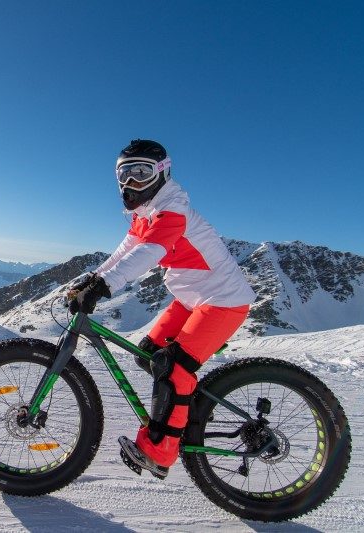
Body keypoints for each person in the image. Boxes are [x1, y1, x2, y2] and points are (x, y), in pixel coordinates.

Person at [68, 139, 256, 478]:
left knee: (173, 370)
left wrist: (105, 286)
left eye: (140, 173)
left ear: (162, 173)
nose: (130, 183)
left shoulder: (172, 210)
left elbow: (149, 252)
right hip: (192, 299)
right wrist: (94, 277)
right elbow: (126, 249)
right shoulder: (146, 213)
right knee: (149, 354)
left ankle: (160, 451)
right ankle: (192, 409)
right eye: (124, 174)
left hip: (223, 302)